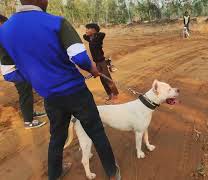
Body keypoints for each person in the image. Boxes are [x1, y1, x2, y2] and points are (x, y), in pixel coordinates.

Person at [0, 1, 120, 180]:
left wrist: (37, 79)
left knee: (57, 137)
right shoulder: (56, 22)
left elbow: (9, 74)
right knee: (96, 131)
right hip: (76, 92)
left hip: (50, 97)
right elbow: (79, 56)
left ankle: (54, 175)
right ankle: (112, 173)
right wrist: (93, 69)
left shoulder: (4, 31)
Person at [0, 14, 47, 129]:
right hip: (13, 71)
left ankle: (30, 113)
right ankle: (28, 122)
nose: (6, 26)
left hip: (14, 69)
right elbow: (12, 55)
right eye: (4, 23)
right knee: (25, 94)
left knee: (26, 92)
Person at [83, 23, 119, 103]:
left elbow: (102, 34)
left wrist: (94, 33)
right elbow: (84, 36)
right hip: (97, 63)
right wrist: (90, 34)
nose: (86, 30)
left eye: (88, 28)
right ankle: (110, 95)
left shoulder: (98, 38)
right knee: (102, 80)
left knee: (107, 79)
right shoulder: (90, 39)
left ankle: (115, 95)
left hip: (102, 62)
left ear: (93, 30)